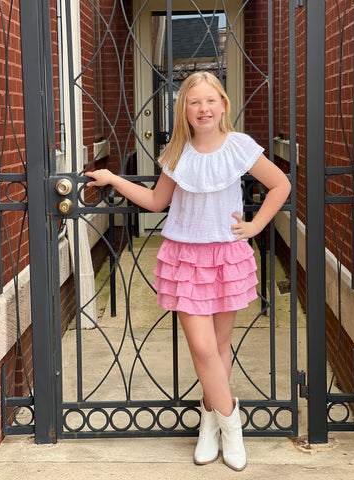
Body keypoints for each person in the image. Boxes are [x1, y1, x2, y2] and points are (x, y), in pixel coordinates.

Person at [85, 71, 291, 471]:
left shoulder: (239, 146)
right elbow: (156, 200)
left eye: (210, 100)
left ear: (223, 105)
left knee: (218, 347)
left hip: (226, 256)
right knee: (201, 347)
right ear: (185, 109)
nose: (204, 108)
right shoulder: (176, 152)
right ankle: (232, 424)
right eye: (195, 102)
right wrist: (113, 178)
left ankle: (208, 424)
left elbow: (280, 185)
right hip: (185, 258)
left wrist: (254, 226)